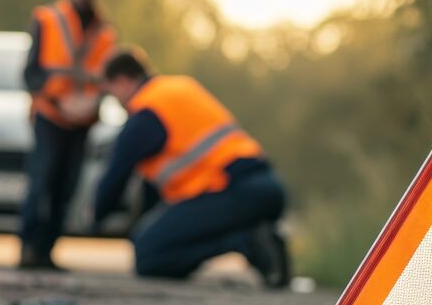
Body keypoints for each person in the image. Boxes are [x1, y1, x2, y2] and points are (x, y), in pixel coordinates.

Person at [93, 49, 291, 288]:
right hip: (267, 187)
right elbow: (154, 193)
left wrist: (95, 216)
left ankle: (248, 241)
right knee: (150, 237)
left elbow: (115, 176)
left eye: (111, 93)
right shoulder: (180, 87)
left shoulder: (145, 112)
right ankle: (257, 241)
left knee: (148, 255)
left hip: (232, 191)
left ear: (122, 82)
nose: (116, 101)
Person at [20, 0, 116, 269]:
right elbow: (30, 73)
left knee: (68, 187)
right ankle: (28, 249)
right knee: (41, 181)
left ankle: (48, 251)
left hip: (83, 122)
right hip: (50, 116)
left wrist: (94, 103)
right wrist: (60, 101)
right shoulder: (47, 19)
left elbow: (106, 81)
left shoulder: (105, 32)